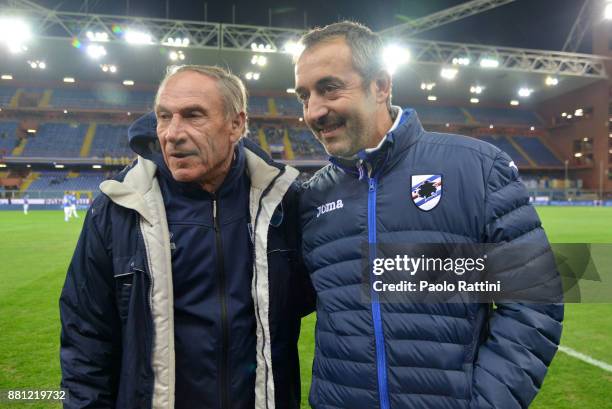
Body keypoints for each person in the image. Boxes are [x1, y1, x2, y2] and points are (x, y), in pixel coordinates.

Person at [294, 21, 563, 409]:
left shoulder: (475, 168)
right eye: (303, 95)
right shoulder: (312, 196)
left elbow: (535, 299)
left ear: (381, 86)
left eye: (330, 88)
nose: (314, 110)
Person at [60, 65, 310, 409]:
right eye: (164, 117)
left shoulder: (284, 203)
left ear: (236, 124)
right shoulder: (117, 210)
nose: (172, 133)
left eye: (193, 116)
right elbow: (85, 340)